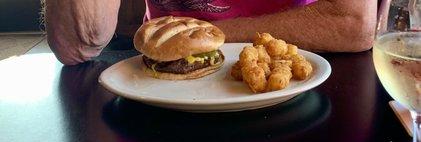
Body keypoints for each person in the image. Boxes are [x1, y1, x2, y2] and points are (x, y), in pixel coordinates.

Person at [43, 0, 377, 65]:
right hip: (157, 94)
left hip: (297, 82)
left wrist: (197, 37)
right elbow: (78, 44)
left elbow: (352, 23)